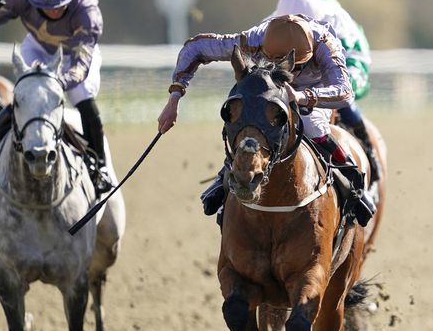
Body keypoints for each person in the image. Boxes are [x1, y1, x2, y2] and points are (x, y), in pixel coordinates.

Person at [156, 14, 376, 225]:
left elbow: (345, 92)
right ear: (265, 51)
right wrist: (175, 96)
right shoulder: (255, 39)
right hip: (270, 87)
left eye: (300, 66)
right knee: (248, 114)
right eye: (293, 66)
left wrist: (301, 96)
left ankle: (351, 179)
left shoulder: (325, 44)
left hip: (313, 91)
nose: (295, 72)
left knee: (311, 124)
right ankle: (226, 175)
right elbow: (194, 48)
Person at [0, 0, 111, 195]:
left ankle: (100, 168)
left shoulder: (87, 10)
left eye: (60, 8)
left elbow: (81, 64)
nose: (53, 13)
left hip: (74, 56)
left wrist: (58, 81)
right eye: (47, 8)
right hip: (38, 47)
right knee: (25, 96)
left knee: (83, 97)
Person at [271, 0, 379, 181]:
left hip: (340, 67)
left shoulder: (341, 27)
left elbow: (355, 75)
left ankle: (368, 154)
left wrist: (326, 93)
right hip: (297, 75)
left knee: (342, 100)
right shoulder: (272, 25)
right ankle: (228, 174)